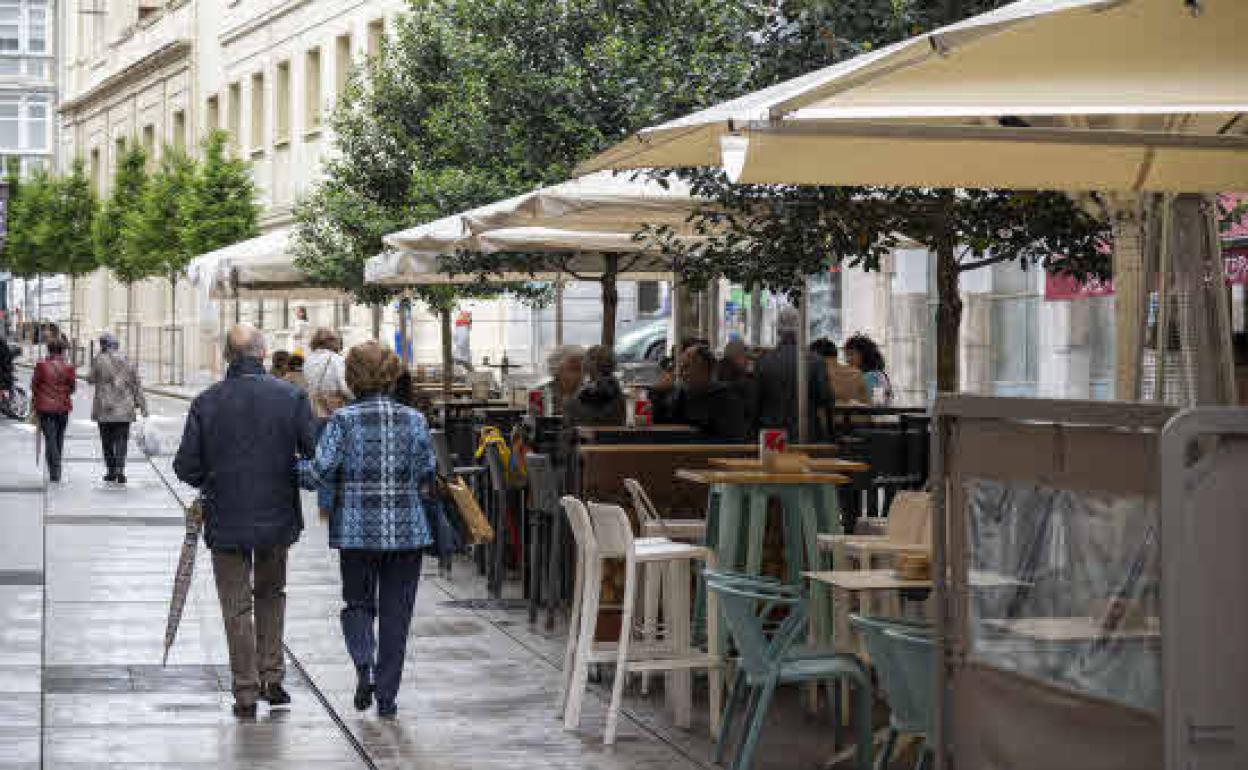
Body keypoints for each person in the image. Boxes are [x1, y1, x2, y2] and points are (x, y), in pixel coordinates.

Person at [173, 324, 314, 718]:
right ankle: (273, 676)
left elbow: (185, 464)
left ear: (226, 357)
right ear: (264, 353)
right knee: (271, 594)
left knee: (235, 606)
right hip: (277, 515)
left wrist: (214, 480)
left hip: (226, 516)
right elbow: (314, 449)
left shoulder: (206, 402)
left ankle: (246, 691)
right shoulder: (291, 396)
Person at [298, 341, 435, 719]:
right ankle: (387, 698)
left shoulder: (344, 420)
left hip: (356, 533)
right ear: (392, 375)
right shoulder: (415, 420)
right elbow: (427, 471)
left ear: (352, 378)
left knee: (357, 603)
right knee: (397, 616)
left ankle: (364, 665)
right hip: (407, 533)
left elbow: (316, 474)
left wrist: (285, 468)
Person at [754, 308, 832, 441]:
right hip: (806, 432)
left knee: (775, 462)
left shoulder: (763, 361)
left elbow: (756, 399)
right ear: (801, 330)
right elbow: (825, 397)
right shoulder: (815, 360)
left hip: (772, 433)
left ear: (778, 331)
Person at [86, 332, 148, 485]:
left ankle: (111, 470)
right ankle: (120, 469)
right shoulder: (127, 360)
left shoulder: (99, 360)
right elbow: (136, 384)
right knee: (122, 440)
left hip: (105, 407)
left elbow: (90, 379)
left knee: (106, 441)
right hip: (124, 408)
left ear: (103, 345)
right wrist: (142, 405)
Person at [650, 344, 747, 441]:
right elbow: (664, 424)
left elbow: (732, 438)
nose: (682, 374)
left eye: (687, 367)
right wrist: (658, 393)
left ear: (703, 370)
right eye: (681, 369)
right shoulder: (683, 394)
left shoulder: (725, 397)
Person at [31, 334, 76, 482]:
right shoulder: (68, 367)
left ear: (49, 350)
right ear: (62, 350)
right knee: (58, 438)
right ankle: (55, 470)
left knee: (50, 439)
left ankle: (55, 470)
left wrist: (39, 398)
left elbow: (34, 385)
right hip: (63, 407)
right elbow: (72, 388)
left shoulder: (41, 365)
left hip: (45, 408)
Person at [562, 344, 626, 427]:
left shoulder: (600, 389)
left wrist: (568, 402)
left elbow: (587, 416)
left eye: (585, 360)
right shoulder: (614, 385)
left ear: (592, 363)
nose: (583, 364)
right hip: (613, 436)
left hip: (595, 436)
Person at [305, 328, 353, 418]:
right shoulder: (336, 359)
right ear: (331, 342)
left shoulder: (308, 360)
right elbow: (343, 386)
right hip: (334, 406)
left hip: (314, 405)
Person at [716, 338, 757, 434]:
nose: (748, 362)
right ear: (737, 357)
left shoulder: (714, 373)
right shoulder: (743, 381)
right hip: (738, 436)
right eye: (746, 358)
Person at [844, 333, 893, 405]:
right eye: (846, 355)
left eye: (851, 354)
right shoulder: (875, 374)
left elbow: (874, 404)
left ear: (864, 355)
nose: (847, 360)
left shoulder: (871, 376)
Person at [540, 344, 585, 416]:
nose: (579, 364)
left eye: (582, 360)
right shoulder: (541, 391)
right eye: (573, 360)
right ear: (557, 365)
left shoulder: (592, 392)